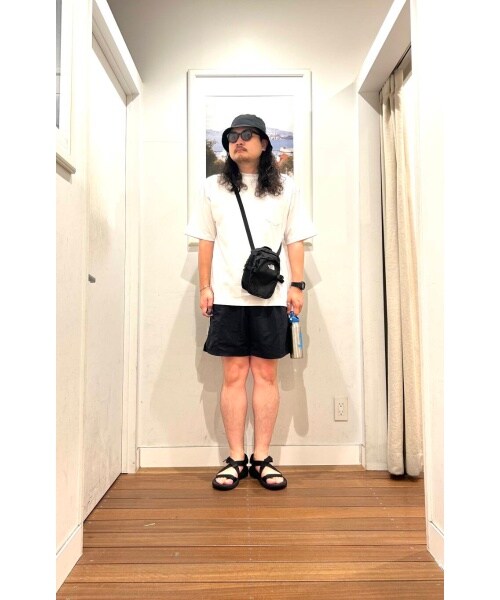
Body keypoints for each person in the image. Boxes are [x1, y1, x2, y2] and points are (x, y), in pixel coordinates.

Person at [186, 114, 316, 491]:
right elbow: (205, 239)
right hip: (227, 295)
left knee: (266, 375)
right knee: (232, 376)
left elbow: (295, 238)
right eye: (232, 136)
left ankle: (261, 458)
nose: (238, 141)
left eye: (247, 135)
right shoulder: (214, 187)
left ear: (264, 143)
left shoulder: (285, 187)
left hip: (272, 297)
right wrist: (204, 287)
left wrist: (297, 286)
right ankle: (235, 458)